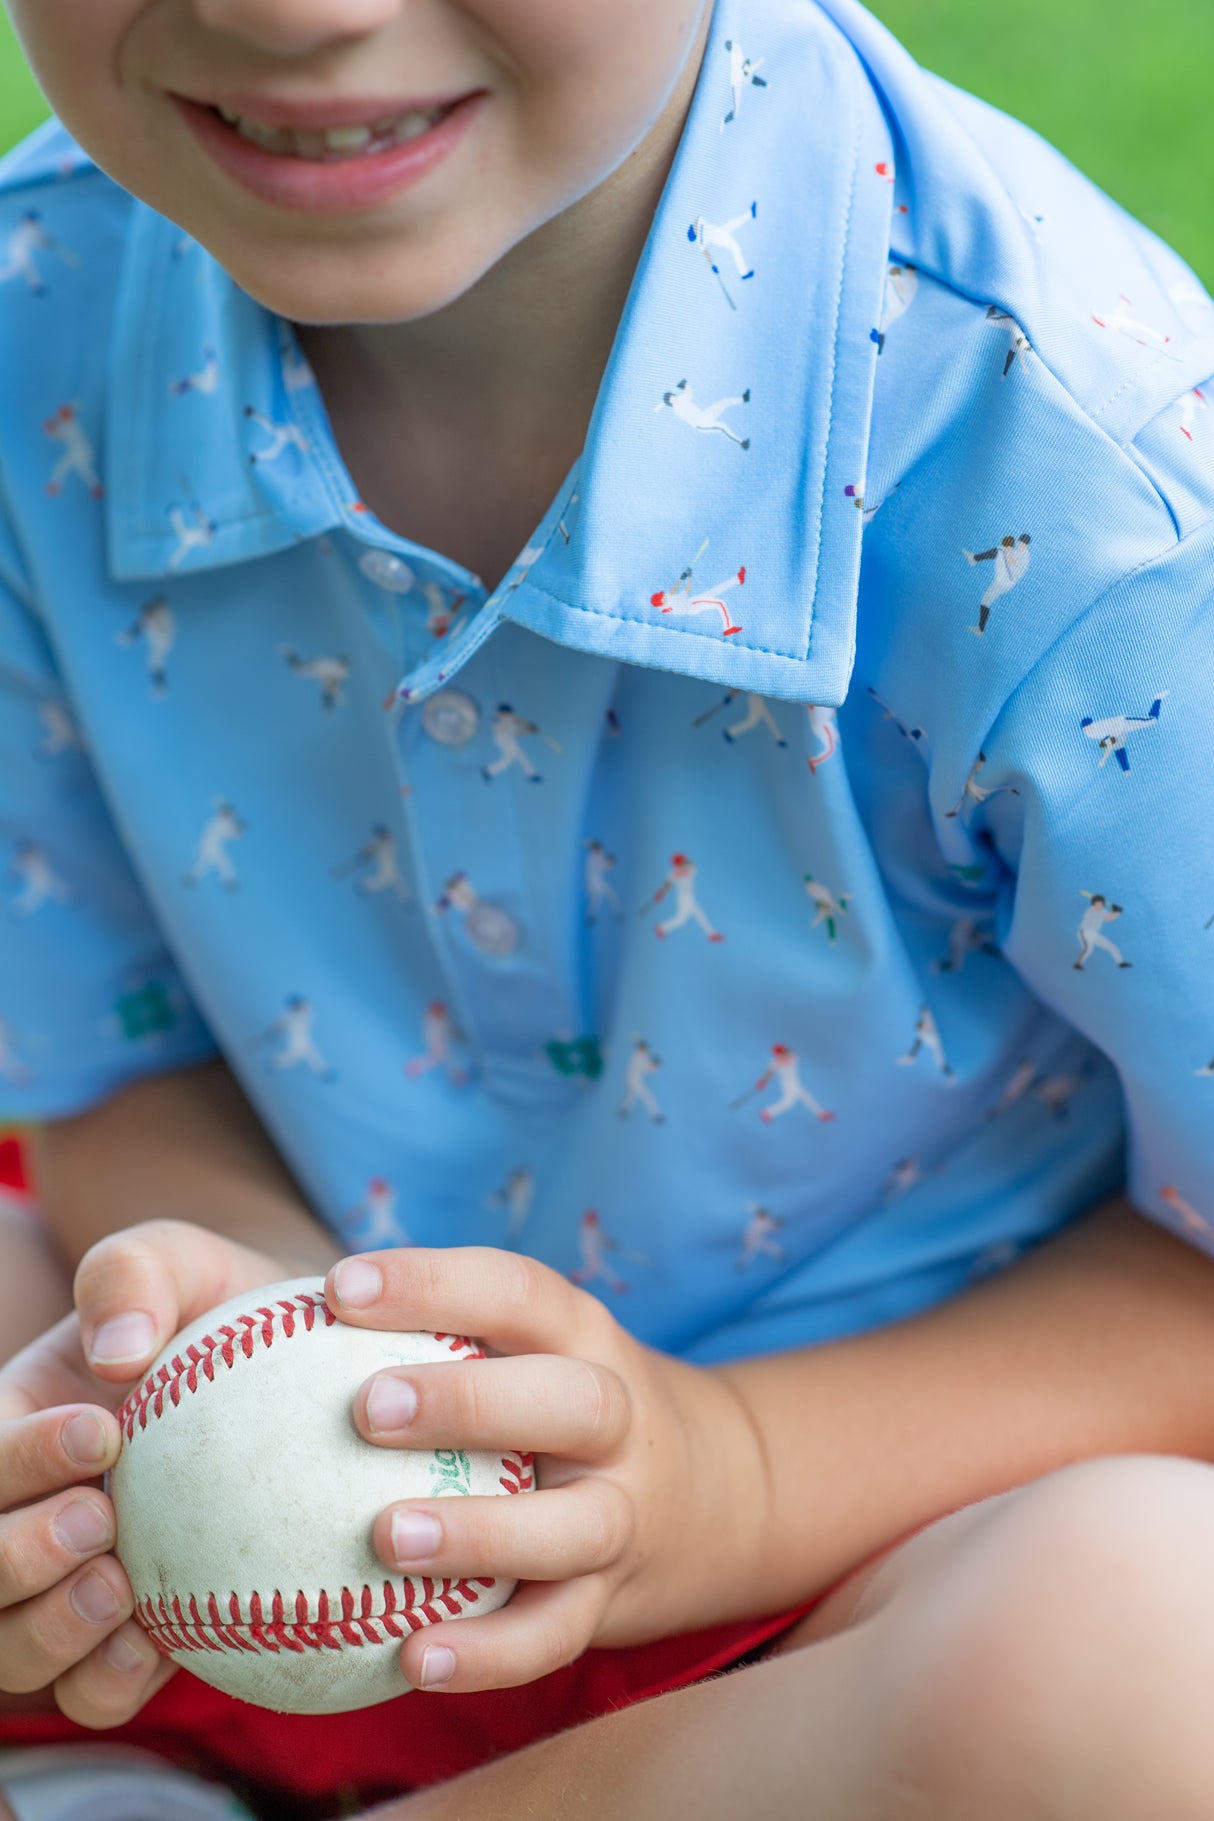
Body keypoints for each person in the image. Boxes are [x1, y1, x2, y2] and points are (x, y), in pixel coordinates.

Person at [1, 0, 1214, 1815]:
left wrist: (720, 1468)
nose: (292, 10)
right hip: (328, 1506)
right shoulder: (39, 323)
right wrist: (212, 1323)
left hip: (860, 1555)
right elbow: (101, 1052)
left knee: (1146, 1644)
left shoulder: (1094, 497)